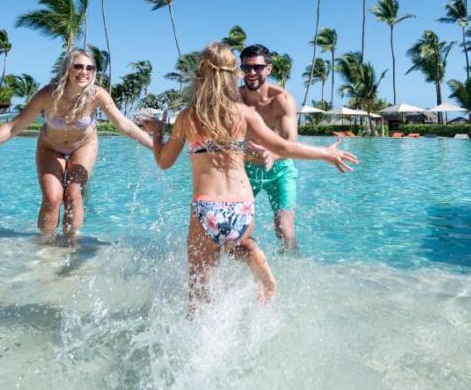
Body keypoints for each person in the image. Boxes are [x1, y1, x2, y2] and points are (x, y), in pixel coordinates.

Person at [141, 42, 358, 310]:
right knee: (235, 241)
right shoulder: (244, 113)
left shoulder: (188, 117)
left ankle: (205, 329)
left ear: (200, 74)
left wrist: (157, 132)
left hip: (206, 208)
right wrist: (326, 153)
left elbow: (164, 161)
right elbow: (285, 147)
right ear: (234, 73)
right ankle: (250, 251)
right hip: (242, 207)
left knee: (199, 292)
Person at [0, 48, 154, 238]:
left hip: (84, 145)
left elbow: (124, 125)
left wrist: (157, 147)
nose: (84, 72)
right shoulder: (48, 94)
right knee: (53, 198)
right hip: (50, 146)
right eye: (78, 66)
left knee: (73, 194)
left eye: (90, 67)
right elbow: (13, 127)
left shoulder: (97, 95)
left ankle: (71, 244)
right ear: (67, 69)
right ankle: (46, 245)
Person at [237, 44, 301, 250]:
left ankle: (293, 268)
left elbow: (290, 142)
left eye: (257, 67)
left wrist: (272, 156)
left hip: (280, 169)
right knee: (235, 227)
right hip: (244, 169)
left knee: (285, 230)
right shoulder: (234, 98)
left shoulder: (282, 100)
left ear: (268, 69)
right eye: (246, 68)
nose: (251, 73)